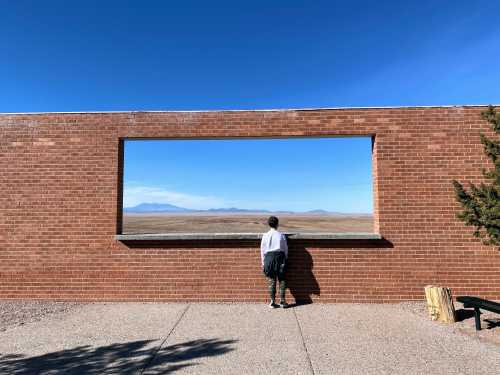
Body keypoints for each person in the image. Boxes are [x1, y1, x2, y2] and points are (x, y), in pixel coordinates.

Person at [261, 216, 289, 308]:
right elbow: (285, 249)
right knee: (282, 279)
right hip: (280, 258)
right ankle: (282, 301)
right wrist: (285, 258)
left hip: (269, 258)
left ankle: (272, 301)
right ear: (277, 224)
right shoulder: (281, 235)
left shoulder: (265, 236)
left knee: (272, 280)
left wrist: (263, 263)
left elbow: (263, 250)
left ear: (269, 224)